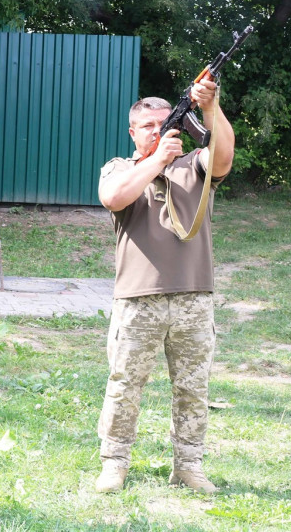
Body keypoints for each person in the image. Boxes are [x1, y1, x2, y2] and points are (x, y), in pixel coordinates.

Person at [94, 79, 234, 495]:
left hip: (193, 297)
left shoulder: (194, 164)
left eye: (163, 123)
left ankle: (189, 465)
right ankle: (114, 464)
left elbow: (224, 158)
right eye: (147, 125)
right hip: (139, 300)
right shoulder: (120, 167)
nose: (156, 130)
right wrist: (156, 161)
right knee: (124, 384)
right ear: (132, 132)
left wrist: (211, 108)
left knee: (193, 387)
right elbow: (115, 198)